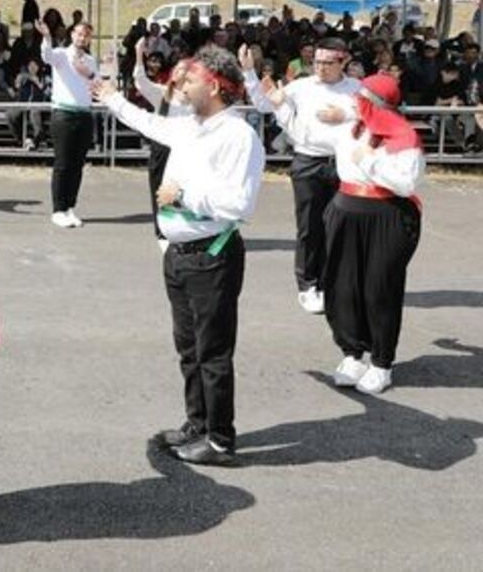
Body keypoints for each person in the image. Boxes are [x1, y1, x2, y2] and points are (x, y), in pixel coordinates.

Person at [93, 46, 265, 466]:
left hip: (212, 255)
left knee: (213, 352)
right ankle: (198, 423)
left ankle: (221, 439)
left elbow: (239, 204)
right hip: (180, 254)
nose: (181, 86)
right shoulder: (190, 126)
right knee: (189, 348)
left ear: (215, 84)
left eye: (190, 79)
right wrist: (113, 98)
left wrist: (183, 196)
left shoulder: (238, 135)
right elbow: (151, 123)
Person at [264, 74, 424, 394]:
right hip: (346, 209)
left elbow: (407, 183)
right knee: (342, 286)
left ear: (374, 103)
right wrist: (282, 107)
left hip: (387, 214)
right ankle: (352, 353)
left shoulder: (404, 137)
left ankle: (381, 363)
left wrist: (370, 164)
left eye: (360, 98)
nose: (354, 102)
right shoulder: (348, 128)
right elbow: (303, 135)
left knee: (379, 289)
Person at [240, 39, 360, 314]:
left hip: (344, 163)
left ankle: (336, 282)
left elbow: (380, 111)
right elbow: (263, 104)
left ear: (344, 61)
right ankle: (309, 284)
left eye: (328, 62)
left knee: (341, 227)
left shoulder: (356, 89)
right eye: (317, 61)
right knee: (310, 226)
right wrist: (249, 74)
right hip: (309, 161)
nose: (321, 67)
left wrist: (345, 114)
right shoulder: (302, 87)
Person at [133, 38, 193, 252]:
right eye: (180, 70)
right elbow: (140, 81)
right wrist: (139, 54)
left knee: (183, 192)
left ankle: (183, 230)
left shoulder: (198, 98)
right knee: (160, 191)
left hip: (185, 151)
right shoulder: (163, 93)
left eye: (188, 71)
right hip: (162, 149)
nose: (183, 74)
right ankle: (162, 232)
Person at [36, 18, 96, 228]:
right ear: (72, 34)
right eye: (79, 34)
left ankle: (70, 206)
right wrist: (46, 36)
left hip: (84, 113)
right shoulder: (62, 54)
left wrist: (88, 73)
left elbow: (95, 82)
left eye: (86, 35)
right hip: (63, 113)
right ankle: (58, 208)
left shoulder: (90, 60)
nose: (82, 38)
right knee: (63, 163)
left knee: (78, 164)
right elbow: (47, 56)